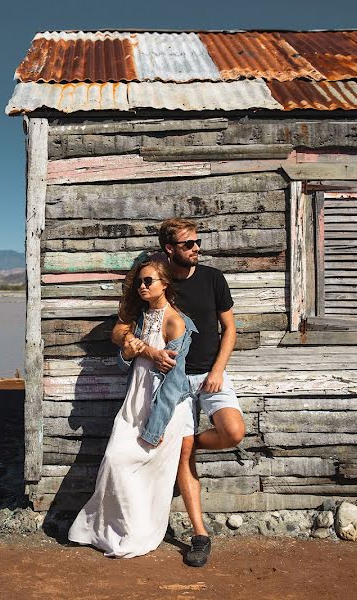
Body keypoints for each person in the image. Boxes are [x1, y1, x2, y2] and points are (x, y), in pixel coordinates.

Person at [112, 218, 246, 567]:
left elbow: (229, 329)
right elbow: (122, 329)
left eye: (197, 243)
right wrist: (135, 345)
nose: (196, 248)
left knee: (233, 432)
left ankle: (186, 442)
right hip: (173, 381)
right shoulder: (155, 280)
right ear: (170, 248)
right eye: (189, 244)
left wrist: (217, 371)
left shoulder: (213, 278)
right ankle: (200, 534)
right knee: (185, 456)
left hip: (210, 374)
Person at [68, 259, 198, 558]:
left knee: (143, 472)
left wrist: (157, 427)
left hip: (160, 410)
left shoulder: (174, 322)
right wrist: (128, 353)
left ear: (165, 284)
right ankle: (109, 530)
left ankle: (137, 534)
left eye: (148, 281)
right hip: (133, 402)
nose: (142, 286)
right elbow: (125, 361)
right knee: (114, 460)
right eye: (140, 281)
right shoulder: (140, 319)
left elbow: (174, 382)